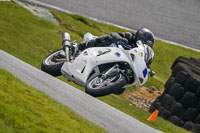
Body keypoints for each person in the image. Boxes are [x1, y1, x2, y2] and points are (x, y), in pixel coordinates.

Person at [72, 28, 155, 68]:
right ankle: (80, 46)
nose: (143, 44)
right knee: (108, 38)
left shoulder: (142, 53)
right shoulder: (130, 36)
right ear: (139, 37)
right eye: (144, 41)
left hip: (120, 60)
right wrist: (120, 39)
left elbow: (146, 65)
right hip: (111, 49)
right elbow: (114, 34)